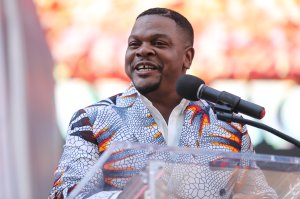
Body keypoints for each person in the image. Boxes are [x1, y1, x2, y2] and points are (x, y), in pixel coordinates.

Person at [49, 7, 277, 199]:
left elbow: (257, 194)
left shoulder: (228, 125)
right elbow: (65, 193)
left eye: (158, 43)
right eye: (134, 44)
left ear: (187, 57)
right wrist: (130, 195)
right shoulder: (93, 120)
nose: (143, 51)